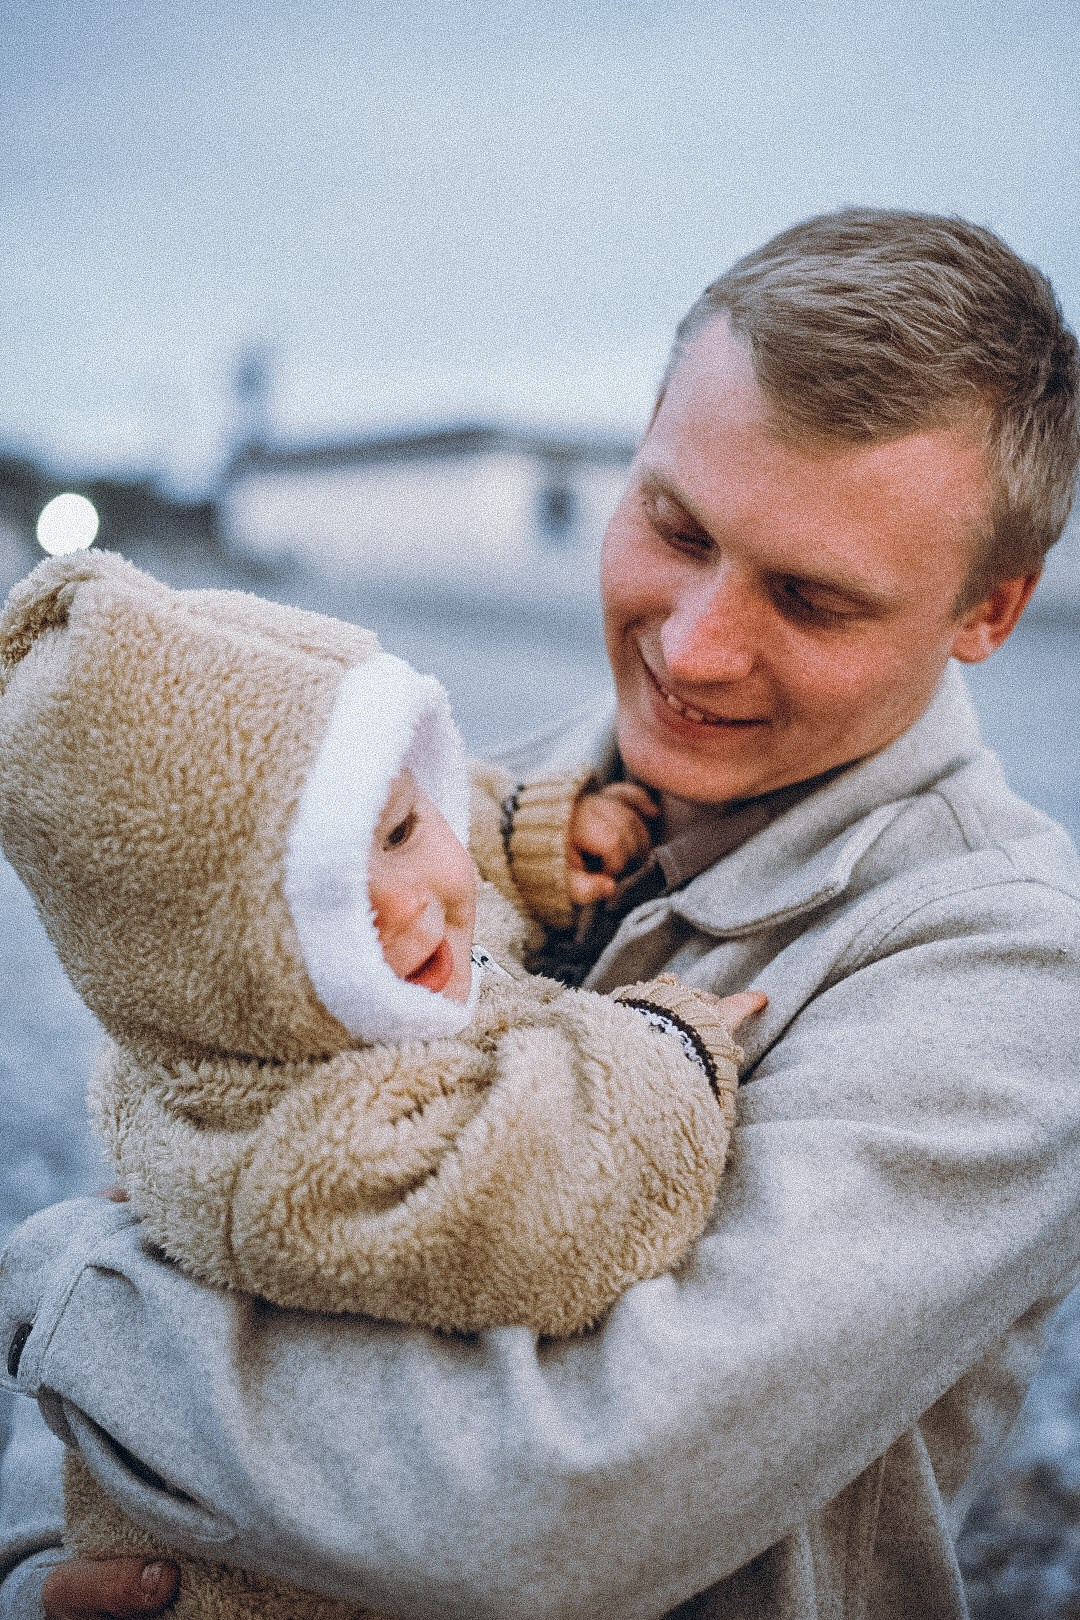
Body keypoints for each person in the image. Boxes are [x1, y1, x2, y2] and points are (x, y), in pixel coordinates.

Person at [3, 206, 1080, 1620]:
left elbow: (550, 1506)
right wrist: (48, 1565)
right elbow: (191, 1136)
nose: (691, 646)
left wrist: (71, 1298)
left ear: (988, 611)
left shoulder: (1011, 973)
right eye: (674, 525)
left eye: (811, 600)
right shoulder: (458, 805)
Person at [0, 549, 753, 1618]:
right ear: (229, 969)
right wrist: (669, 1042)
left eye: (404, 828)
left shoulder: (357, 980)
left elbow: (436, 870)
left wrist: (530, 836)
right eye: (332, 904)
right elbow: (546, 1207)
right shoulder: (314, 1141)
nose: (409, 908)